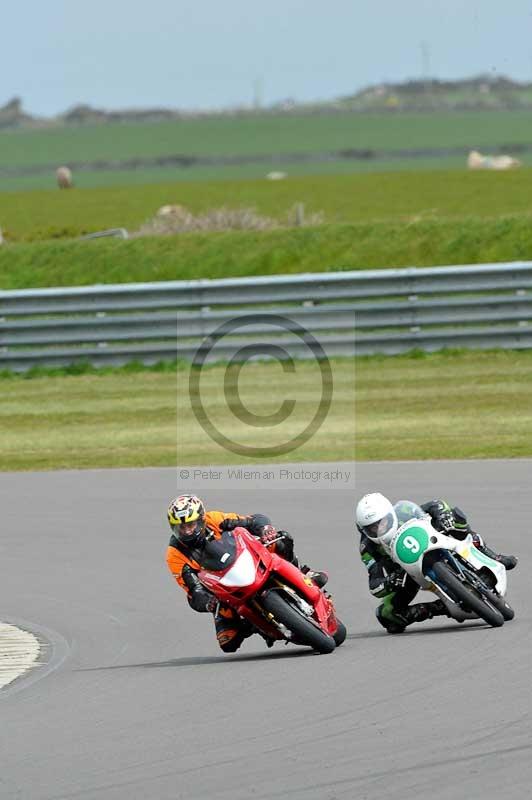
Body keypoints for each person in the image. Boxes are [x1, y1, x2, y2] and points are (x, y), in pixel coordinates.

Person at [166, 494, 327, 652]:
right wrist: (209, 603)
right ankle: (256, 624)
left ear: (201, 519)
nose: (187, 531)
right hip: (222, 590)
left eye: (191, 525)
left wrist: (265, 529)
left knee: (280, 541)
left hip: (243, 560)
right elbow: (194, 591)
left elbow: (252, 520)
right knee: (228, 642)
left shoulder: (214, 519)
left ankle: (303, 573)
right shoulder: (175, 554)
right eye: (181, 527)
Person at [356, 492, 517, 635]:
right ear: (363, 530)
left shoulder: (402, 511)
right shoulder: (367, 548)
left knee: (456, 519)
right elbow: (374, 585)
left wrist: (443, 515)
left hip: (431, 540)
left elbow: (436, 504)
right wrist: (390, 582)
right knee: (387, 615)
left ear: (390, 513)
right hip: (405, 573)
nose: (379, 529)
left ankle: (494, 556)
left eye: (382, 522)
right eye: (372, 528)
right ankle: (435, 608)